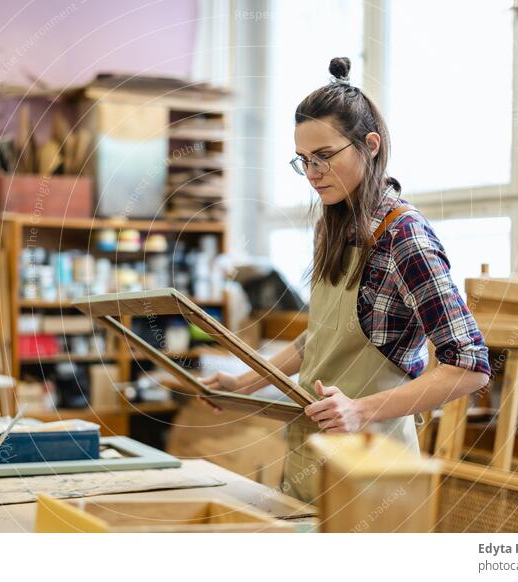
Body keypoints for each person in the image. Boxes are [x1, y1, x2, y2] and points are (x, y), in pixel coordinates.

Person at [201, 57, 491, 503]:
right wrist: (245, 383)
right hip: (309, 456)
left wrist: (359, 411)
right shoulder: (333, 227)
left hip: (373, 472)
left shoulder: (403, 237)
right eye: (303, 161)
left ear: (370, 145)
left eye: (324, 156)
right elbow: (321, 340)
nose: (313, 172)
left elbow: (469, 366)